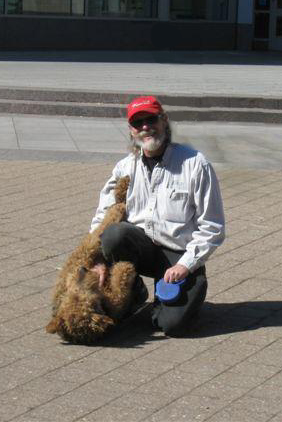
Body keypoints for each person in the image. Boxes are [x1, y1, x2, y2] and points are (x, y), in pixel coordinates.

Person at [90, 95, 225, 336]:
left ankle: (183, 294)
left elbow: (212, 226)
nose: (145, 127)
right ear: (131, 131)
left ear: (164, 121)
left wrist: (186, 265)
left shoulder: (195, 164)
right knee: (114, 234)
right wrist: (97, 260)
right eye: (137, 123)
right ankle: (134, 291)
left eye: (151, 119)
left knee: (172, 326)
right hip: (141, 247)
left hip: (177, 255)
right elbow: (103, 215)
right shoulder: (124, 167)